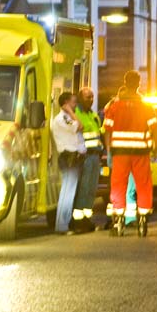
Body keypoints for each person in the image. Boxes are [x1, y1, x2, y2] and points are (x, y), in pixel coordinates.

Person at [104, 71, 157, 237]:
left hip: (120, 152)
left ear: (125, 82)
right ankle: (143, 219)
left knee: (118, 185)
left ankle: (119, 221)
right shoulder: (146, 106)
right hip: (141, 151)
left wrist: (109, 148)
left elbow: (107, 130)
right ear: (138, 84)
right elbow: (156, 128)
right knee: (143, 185)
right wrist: (155, 148)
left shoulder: (115, 106)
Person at [101, 86, 138, 229]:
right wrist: (109, 150)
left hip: (128, 153)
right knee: (118, 187)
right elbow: (107, 131)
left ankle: (128, 218)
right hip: (118, 153)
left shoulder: (126, 109)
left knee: (129, 188)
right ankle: (115, 218)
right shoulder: (112, 108)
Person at [51, 91, 86, 234]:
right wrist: (71, 112)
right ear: (65, 104)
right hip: (69, 158)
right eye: (73, 102)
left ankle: (64, 224)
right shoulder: (62, 119)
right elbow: (79, 126)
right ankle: (62, 225)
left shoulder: (65, 118)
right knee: (67, 192)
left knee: (69, 191)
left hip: (74, 158)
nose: (75, 104)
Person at [71, 87, 102, 233]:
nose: (90, 100)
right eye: (87, 97)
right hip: (85, 157)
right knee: (83, 189)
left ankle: (87, 219)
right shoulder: (76, 114)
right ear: (80, 98)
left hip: (95, 156)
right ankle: (77, 222)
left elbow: (99, 134)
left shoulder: (93, 115)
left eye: (92, 97)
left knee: (91, 190)